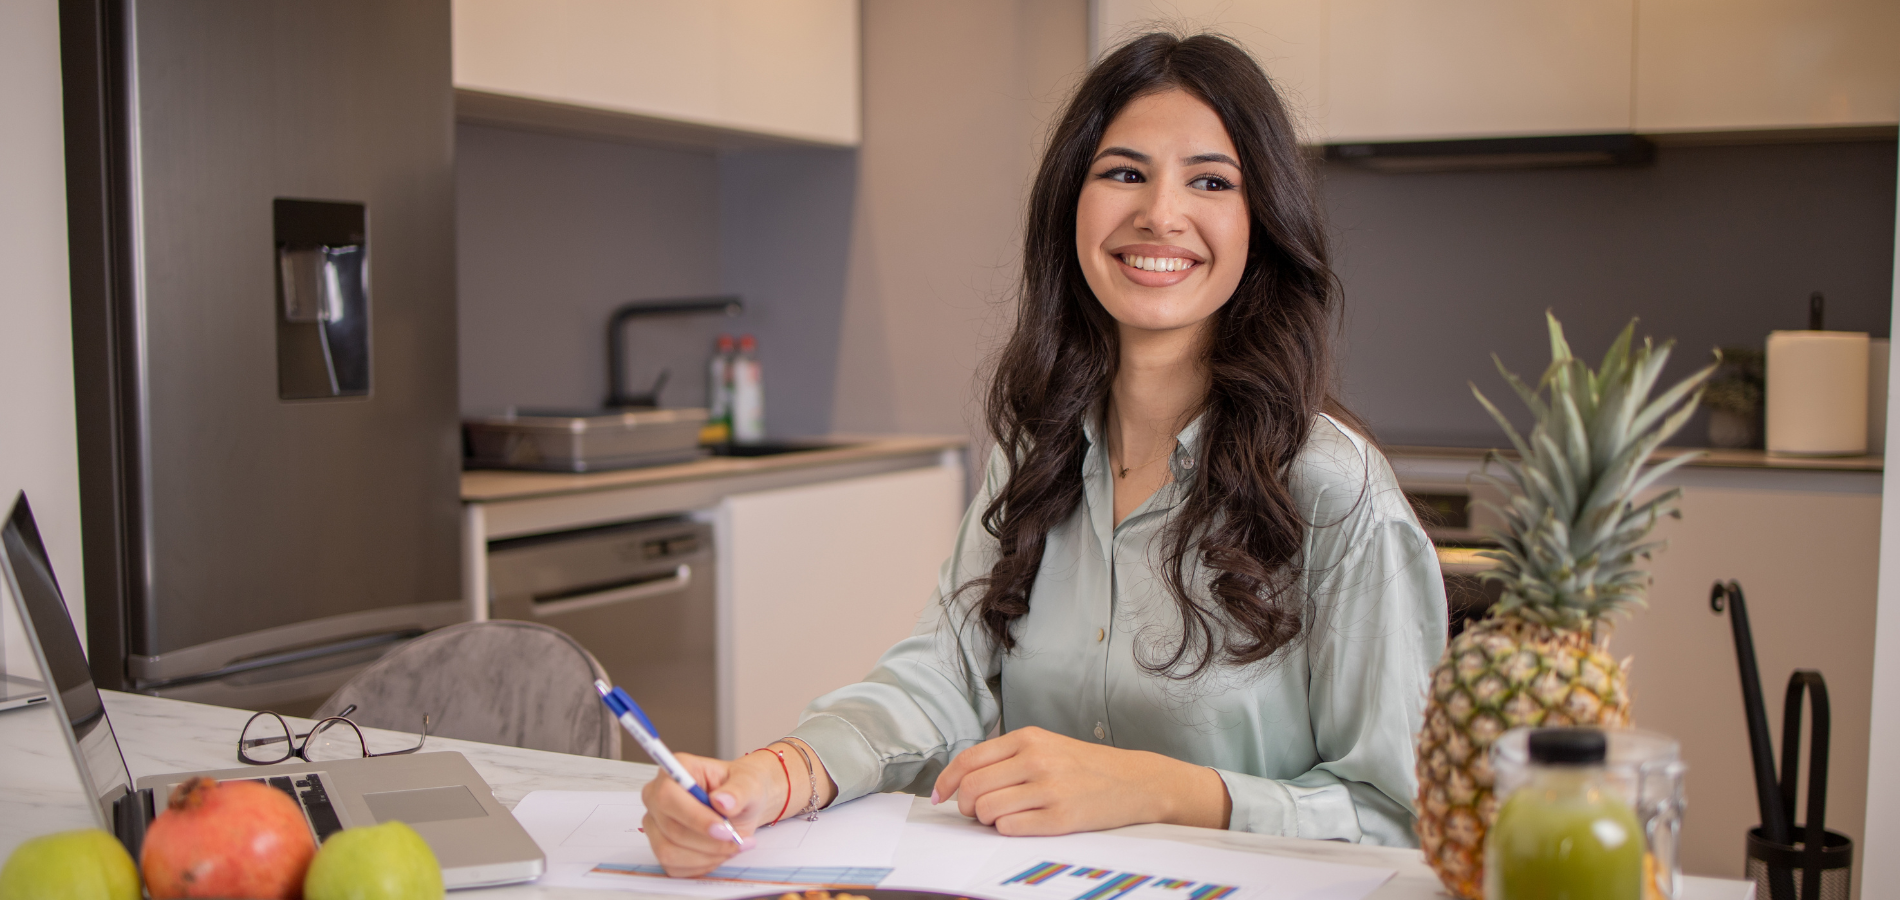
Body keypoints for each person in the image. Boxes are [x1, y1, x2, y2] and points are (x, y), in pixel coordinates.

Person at [641, 31, 1447, 875]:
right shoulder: (1038, 445)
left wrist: (1155, 788)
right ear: (1073, 204)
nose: (1160, 213)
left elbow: (1399, 818)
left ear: (1263, 222)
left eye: (1210, 180)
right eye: (1124, 173)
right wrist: (772, 778)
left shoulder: (1336, 489)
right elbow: (939, 676)